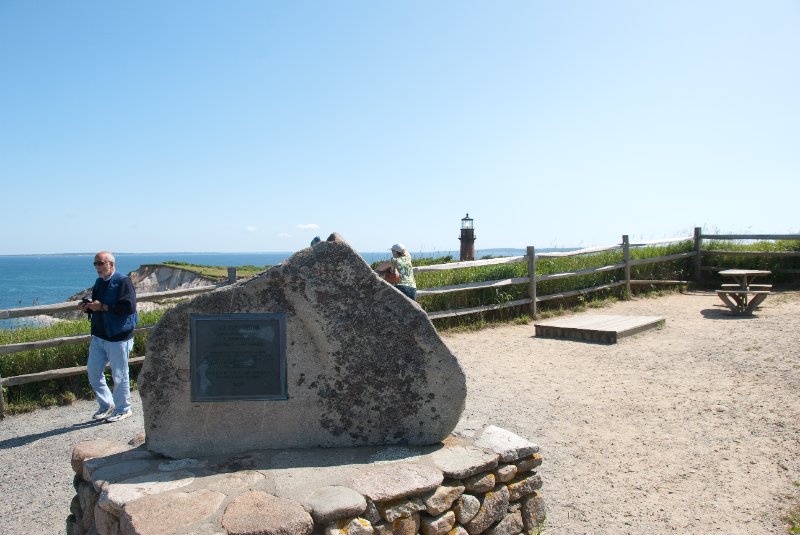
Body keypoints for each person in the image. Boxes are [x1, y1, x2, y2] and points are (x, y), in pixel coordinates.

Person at [78, 251, 138, 423]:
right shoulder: (99, 282)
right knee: (93, 371)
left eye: (100, 263)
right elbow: (97, 304)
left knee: (119, 375)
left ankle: (123, 408)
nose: (97, 266)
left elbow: (128, 307)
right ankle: (107, 404)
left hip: (119, 336)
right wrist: (87, 307)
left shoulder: (123, 281)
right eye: (95, 263)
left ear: (111, 264)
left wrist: (102, 307)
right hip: (100, 335)